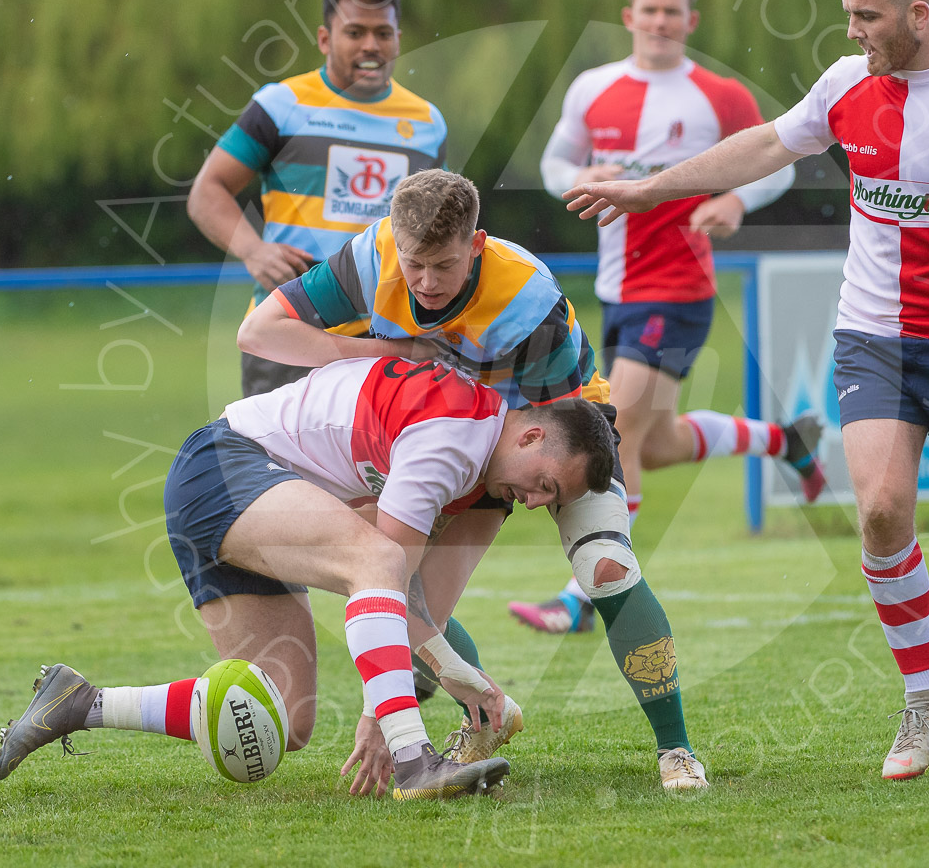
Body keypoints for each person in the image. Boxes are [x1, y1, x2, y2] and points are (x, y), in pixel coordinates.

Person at [565, 0, 929, 779]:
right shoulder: (847, 83)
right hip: (871, 337)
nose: (852, 32)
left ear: (920, 14)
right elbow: (763, 146)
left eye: (867, 17)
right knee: (883, 511)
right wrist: (649, 188)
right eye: (848, 14)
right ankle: (923, 705)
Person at [238, 168, 709, 790]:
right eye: (415, 265)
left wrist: (380, 707)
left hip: (554, 426)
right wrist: (382, 355)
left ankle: (676, 750)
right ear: (392, 241)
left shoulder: (526, 302)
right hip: (455, 433)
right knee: (405, 592)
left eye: (445, 265)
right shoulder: (371, 257)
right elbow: (259, 331)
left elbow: (542, 437)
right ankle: (485, 714)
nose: (427, 283)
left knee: (603, 564)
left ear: (477, 245)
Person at [0, 355, 615, 800]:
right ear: (532, 434)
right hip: (226, 467)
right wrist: (386, 719)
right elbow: (384, 578)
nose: (536, 501)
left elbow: (416, 612)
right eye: (545, 484)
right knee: (377, 562)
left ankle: (79, 705)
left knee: (283, 720)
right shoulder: (454, 438)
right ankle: (413, 762)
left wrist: (473, 688)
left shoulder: (480, 463)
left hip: (234, 487)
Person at [510, 0, 824, 636]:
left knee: (611, 432)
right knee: (657, 445)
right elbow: (556, 163)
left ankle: (576, 598)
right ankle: (785, 440)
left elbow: (779, 165)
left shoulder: (718, 96)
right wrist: (582, 171)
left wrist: (736, 201)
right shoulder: (593, 87)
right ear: (629, 17)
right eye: (648, 11)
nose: (659, 22)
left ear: (691, 21)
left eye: (671, 13)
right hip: (617, 287)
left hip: (679, 288)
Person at [186, 0, 448, 397]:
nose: (371, 45)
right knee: (283, 466)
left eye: (383, 33)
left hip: (388, 337)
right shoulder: (281, 105)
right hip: (290, 330)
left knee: (382, 467)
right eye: (355, 32)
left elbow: (434, 230)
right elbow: (206, 192)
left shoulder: (427, 122)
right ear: (325, 39)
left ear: (398, 40)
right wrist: (254, 252)